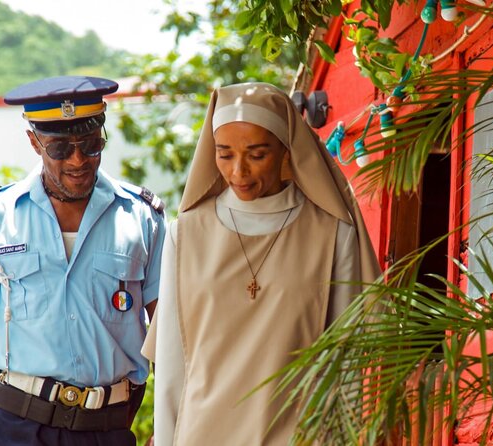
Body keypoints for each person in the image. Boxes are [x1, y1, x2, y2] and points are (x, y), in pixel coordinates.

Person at [0, 76, 166, 446]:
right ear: (34, 142)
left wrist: (170, 423)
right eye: (60, 149)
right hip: (19, 428)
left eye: (91, 146)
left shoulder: (142, 219)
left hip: (108, 429)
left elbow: (167, 331)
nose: (78, 161)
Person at [142, 82, 381, 445]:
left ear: (286, 149)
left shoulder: (331, 234)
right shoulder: (185, 235)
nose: (238, 172)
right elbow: (173, 366)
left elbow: (345, 359)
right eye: (224, 154)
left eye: (256, 155)